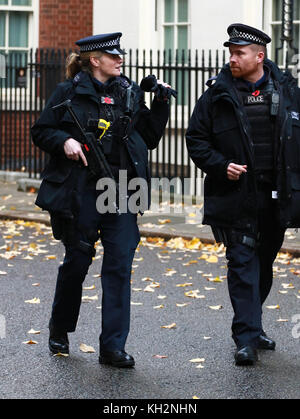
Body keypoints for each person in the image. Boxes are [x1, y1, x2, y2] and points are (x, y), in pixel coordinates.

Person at [31, 33, 172, 367]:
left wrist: (162, 103)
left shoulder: (129, 92)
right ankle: (60, 328)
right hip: (81, 191)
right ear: (94, 60)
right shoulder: (69, 91)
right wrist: (64, 140)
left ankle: (112, 347)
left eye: (120, 54)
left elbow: (148, 139)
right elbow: (41, 130)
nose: (120, 59)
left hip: (123, 190)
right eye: (113, 55)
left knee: (120, 266)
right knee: (78, 262)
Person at [186, 23, 300, 366]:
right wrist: (221, 166)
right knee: (241, 264)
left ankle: (254, 325)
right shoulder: (217, 94)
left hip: (277, 195)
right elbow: (196, 140)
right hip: (237, 195)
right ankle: (245, 337)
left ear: (259, 57)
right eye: (231, 53)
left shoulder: (289, 90)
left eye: (240, 53)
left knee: (264, 262)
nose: (233, 59)